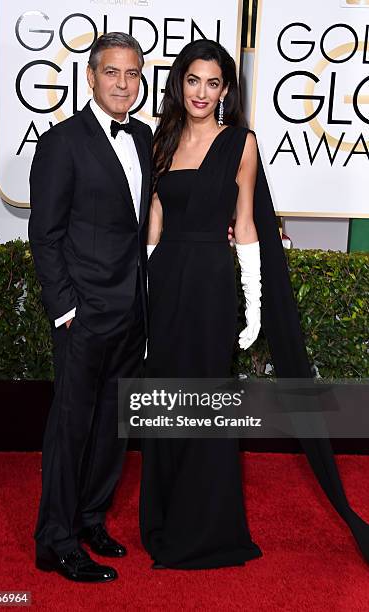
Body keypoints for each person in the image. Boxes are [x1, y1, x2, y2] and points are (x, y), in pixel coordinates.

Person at [139, 39, 369, 569]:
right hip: (167, 278)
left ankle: (206, 530)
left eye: (212, 82)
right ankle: (164, 518)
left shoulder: (241, 142)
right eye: (192, 80)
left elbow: (246, 227)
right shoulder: (161, 141)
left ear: (225, 90)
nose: (201, 92)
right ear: (180, 83)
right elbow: (154, 221)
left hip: (212, 285)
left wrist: (254, 303)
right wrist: (143, 295)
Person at [28, 32, 152, 582]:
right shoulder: (61, 142)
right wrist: (65, 309)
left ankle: (90, 518)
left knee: (112, 427)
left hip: (131, 310)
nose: (122, 84)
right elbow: (45, 234)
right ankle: (54, 541)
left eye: (132, 74)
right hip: (83, 315)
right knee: (71, 428)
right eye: (111, 73)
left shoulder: (145, 137)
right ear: (90, 77)